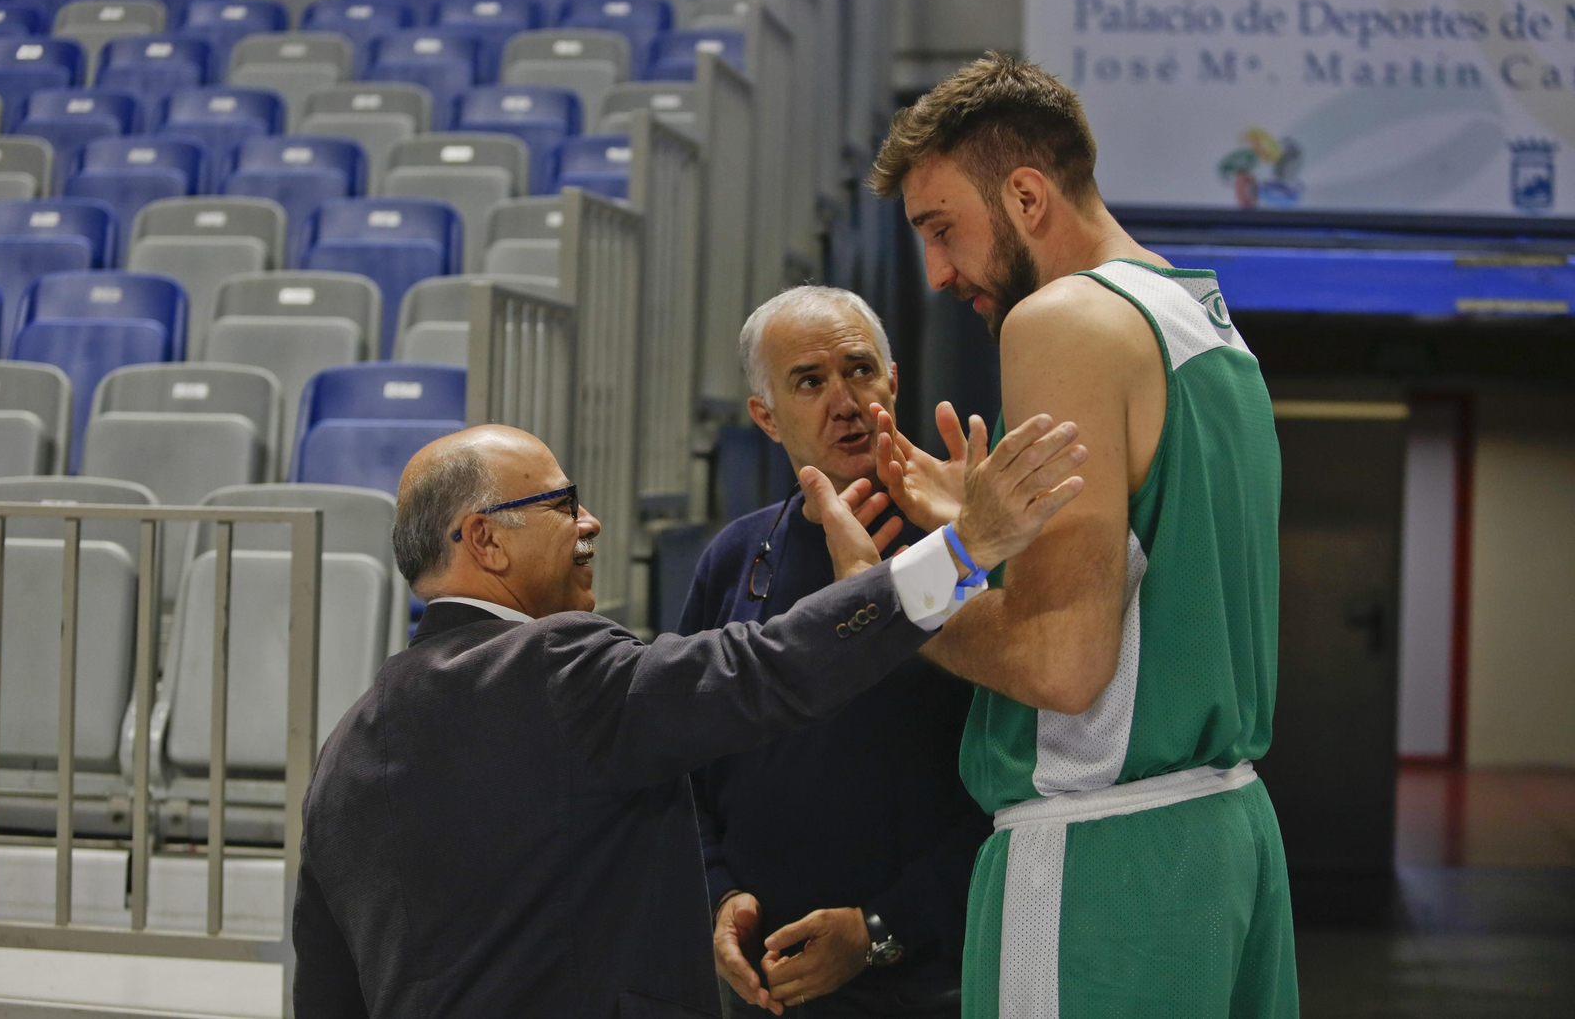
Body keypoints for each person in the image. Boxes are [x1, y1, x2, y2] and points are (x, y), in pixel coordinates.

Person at [291, 418, 1087, 1018]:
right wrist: (960, 551)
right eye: (563, 504)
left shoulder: (345, 749)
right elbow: (768, 666)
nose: (590, 522)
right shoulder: (552, 667)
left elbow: (324, 993)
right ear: (484, 542)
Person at [866, 52, 1298, 1018]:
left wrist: (898, 588)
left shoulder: (1062, 319)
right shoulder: (1207, 324)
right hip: (1228, 843)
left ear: (1025, 195)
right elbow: (1153, 572)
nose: (938, 274)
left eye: (944, 231)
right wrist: (987, 524)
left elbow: (1063, 666)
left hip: (1104, 868)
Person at [681, 286, 989, 1018]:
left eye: (859, 370)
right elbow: (686, 765)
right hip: (766, 985)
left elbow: (1021, 777)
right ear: (765, 415)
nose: (843, 400)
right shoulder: (735, 556)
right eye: (810, 382)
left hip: (928, 979)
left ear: (893, 380)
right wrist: (717, 895)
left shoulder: (968, 548)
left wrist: (881, 930)